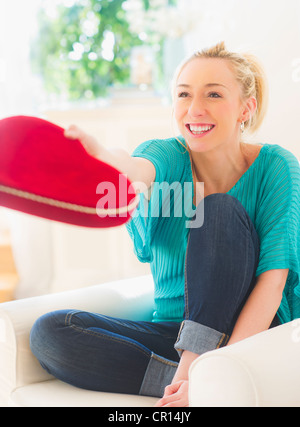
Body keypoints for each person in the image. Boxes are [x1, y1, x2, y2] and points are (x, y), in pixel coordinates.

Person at [30, 41, 300, 407]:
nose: (195, 109)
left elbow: (273, 282)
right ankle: (192, 387)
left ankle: (202, 374)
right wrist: (106, 163)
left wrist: (220, 364)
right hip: (173, 331)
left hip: (250, 338)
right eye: (184, 94)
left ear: (245, 108)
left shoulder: (276, 167)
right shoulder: (169, 155)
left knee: (217, 210)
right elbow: (136, 167)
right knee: (51, 333)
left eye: (214, 94)